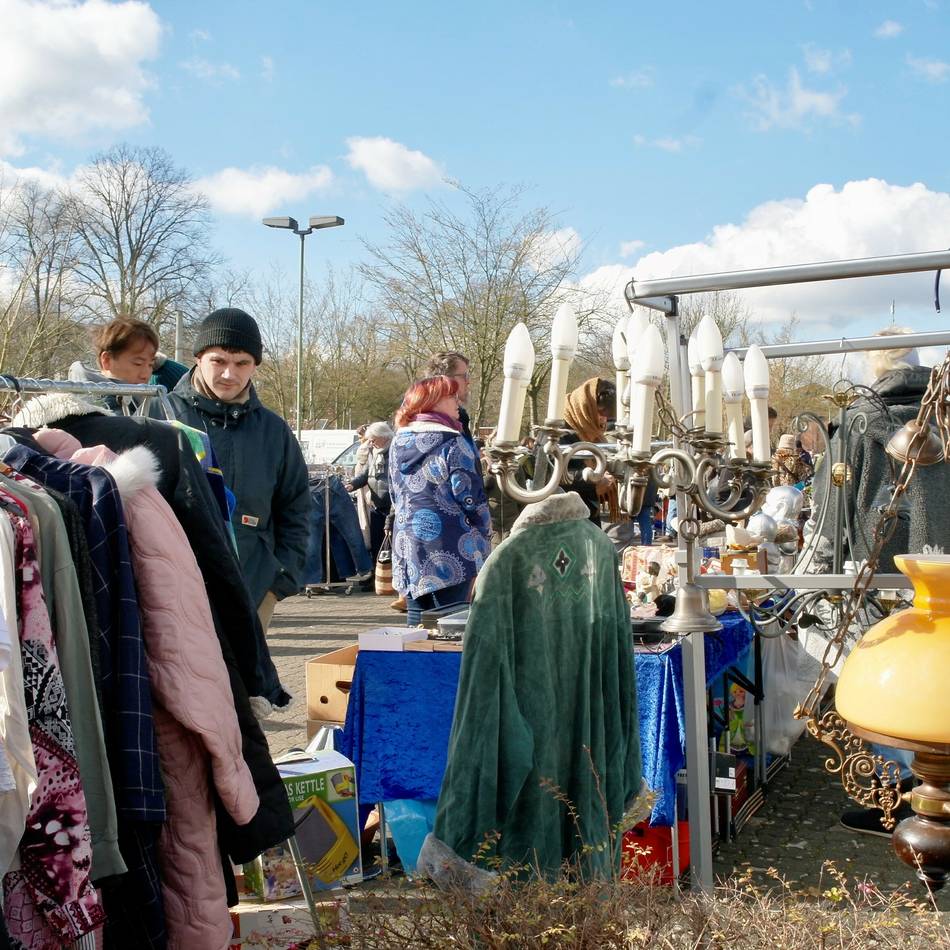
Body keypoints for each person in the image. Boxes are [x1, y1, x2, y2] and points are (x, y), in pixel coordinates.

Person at [809, 328, 947, 836]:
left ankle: (902, 800)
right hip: (941, 575)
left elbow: (832, 504)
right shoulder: (943, 415)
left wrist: (819, 567)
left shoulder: (858, 420)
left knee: (880, 681)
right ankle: (925, 795)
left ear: (873, 366)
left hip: (876, 576)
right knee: (936, 683)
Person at [165, 307, 310, 631]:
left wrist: (280, 581)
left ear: (255, 365)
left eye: (242, 363)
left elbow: (296, 508)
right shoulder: (163, 417)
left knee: (245, 669)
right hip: (175, 592)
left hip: (254, 589)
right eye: (218, 361)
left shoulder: (274, 432)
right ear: (199, 358)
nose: (229, 374)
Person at [389, 375, 491, 626]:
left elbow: (394, 493)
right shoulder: (453, 442)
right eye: (451, 396)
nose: (458, 402)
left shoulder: (398, 442)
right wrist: (485, 531)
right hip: (452, 546)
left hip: (408, 545)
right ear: (432, 401)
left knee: (416, 622)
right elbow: (470, 498)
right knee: (451, 623)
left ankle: (414, 654)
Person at [560, 377, 617, 525]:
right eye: (601, 413)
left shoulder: (593, 434)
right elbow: (551, 474)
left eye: (607, 416)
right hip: (563, 521)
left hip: (588, 517)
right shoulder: (557, 431)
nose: (603, 420)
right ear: (587, 407)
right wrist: (594, 484)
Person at [346, 421, 394, 565]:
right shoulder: (373, 451)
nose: (370, 443)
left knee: (390, 542)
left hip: (391, 505)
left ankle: (389, 573)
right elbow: (366, 473)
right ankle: (375, 571)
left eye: (373, 440)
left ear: (384, 436)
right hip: (376, 504)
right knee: (376, 541)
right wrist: (352, 484)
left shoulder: (395, 451)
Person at [423, 351, 478, 455]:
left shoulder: (459, 417)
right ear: (445, 380)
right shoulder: (422, 423)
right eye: (464, 376)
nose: (468, 381)